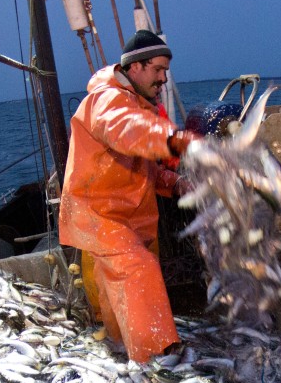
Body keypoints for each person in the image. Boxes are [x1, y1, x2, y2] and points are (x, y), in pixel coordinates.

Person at [58, 30, 199, 362]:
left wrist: (176, 184)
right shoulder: (106, 101)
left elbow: (142, 167)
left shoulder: (136, 104)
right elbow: (128, 131)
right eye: (158, 70)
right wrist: (179, 141)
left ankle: (121, 346)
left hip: (126, 216)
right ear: (136, 66)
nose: (164, 78)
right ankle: (157, 360)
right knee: (138, 269)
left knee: (117, 290)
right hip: (99, 214)